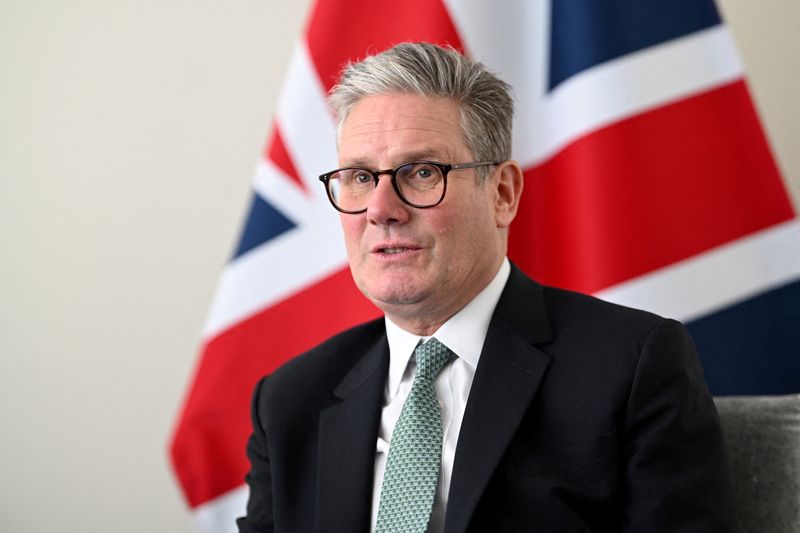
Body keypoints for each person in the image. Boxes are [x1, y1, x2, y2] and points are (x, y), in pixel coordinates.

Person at [237, 42, 735, 533]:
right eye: (360, 177)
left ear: (502, 193)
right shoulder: (290, 400)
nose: (380, 209)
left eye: (422, 172)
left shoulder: (631, 366)